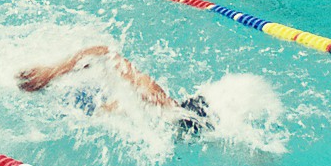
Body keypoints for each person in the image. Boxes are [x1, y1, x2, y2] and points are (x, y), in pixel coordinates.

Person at [17, 44, 215, 138]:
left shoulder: (140, 115)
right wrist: (51, 73)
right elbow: (103, 53)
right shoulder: (155, 96)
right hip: (59, 80)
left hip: (62, 101)